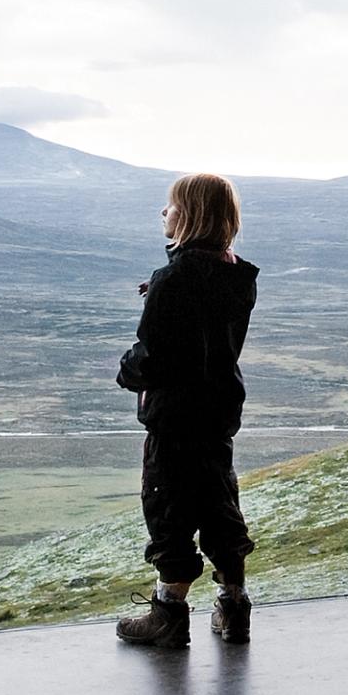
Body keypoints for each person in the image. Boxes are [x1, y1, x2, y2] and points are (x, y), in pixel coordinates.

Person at [114, 171, 257, 649]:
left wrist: (127, 370)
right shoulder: (236, 276)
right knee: (219, 503)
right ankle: (234, 606)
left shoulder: (173, 281)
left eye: (172, 206)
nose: (164, 212)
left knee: (168, 506)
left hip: (174, 417)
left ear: (191, 215)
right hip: (217, 413)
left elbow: (154, 356)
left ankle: (168, 612)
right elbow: (205, 324)